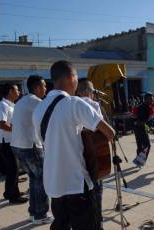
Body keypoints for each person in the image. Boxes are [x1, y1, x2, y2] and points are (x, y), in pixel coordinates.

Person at [32, 60, 116, 230]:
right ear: (71, 78)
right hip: (77, 183)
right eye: (77, 76)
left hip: (54, 184)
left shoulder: (38, 109)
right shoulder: (75, 103)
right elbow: (110, 133)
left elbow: (45, 141)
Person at [10, 75, 51, 224]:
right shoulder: (36, 101)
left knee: (35, 179)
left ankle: (34, 213)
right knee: (41, 179)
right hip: (29, 146)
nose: (46, 89)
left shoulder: (23, 101)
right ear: (37, 87)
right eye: (44, 86)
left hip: (18, 146)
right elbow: (50, 118)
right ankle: (41, 214)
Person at [76, 78, 106, 230]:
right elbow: (100, 129)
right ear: (88, 92)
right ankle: (98, 224)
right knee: (97, 190)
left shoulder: (72, 104)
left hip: (78, 155)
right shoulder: (92, 104)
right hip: (94, 153)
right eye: (93, 91)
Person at [0, 83, 28, 204]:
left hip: (11, 141)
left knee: (14, 168)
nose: (19, 92)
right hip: (4, 142)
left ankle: (12, 192)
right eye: (17, 90)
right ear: (10, 91)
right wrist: (18, 129)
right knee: (13, 168)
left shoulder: (11, 105)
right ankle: (12, 196)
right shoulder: (2, 106)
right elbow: (2, 124)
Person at [131, 92, 153, 167]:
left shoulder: (140, 106)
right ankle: (140, 161)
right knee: (148, 145)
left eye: (152, 98)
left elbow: (134, 117)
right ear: (146, 99)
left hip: (136, 128)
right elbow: (142, 119)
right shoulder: (146, 107)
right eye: (150, 98)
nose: (152, 100)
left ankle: (138, 161)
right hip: (140, 128)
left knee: (139, 145)